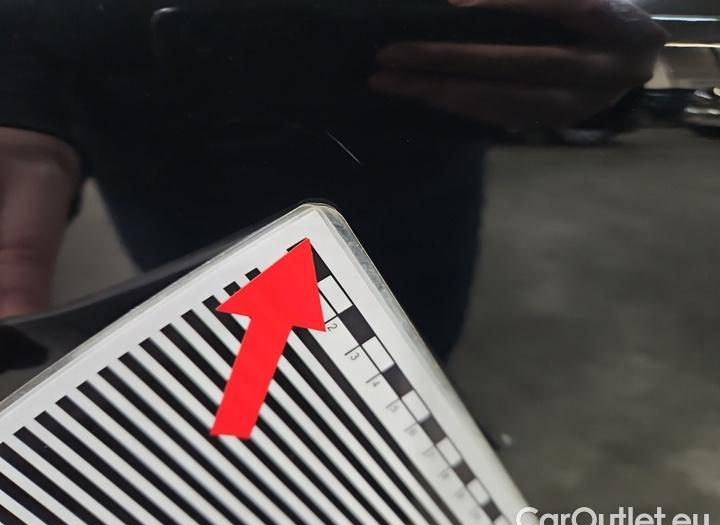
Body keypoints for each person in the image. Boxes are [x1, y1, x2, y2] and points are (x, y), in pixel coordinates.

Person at [0, 0, 667, 357]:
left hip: (409, 184)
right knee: (231, 371)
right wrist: (17, 91)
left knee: (403, 357)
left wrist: (593, 49)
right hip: (168, 190)